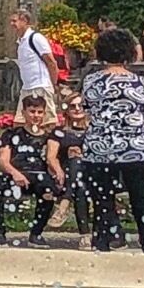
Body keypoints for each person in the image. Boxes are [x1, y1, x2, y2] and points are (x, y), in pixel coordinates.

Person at [79, 27, 144, 253]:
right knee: (143, 205)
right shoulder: (140, 83)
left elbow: (87, 108)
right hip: (136, 148)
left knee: (102, 205)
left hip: (100, 149)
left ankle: (103, 249)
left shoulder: (91, 82)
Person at [0, 92, 62, 246]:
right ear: (24, 113)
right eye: (32, 111)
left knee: (48, 190)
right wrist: (15, 174)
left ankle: (36, 234)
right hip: (16, 175)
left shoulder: (49, 137)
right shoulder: (11, 134)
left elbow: (51, 158)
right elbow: (3, 160)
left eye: (40, 112)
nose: (36, 115)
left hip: (39, 176)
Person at [46, 95, 91, 239]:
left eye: (81, 105)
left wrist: (82, 155)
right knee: (80, 188)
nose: (77, 109)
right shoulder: (59, 132)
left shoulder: (93, 131)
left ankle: (64, 204)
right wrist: (58, 170)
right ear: (67, 110)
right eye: (73, 106)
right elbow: (51, 157)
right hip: (64, 177)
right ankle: (85, 237)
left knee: (77, 161)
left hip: (91, 174)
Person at [9, 6, 58, 105]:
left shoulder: (36, 38)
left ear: (24, 21)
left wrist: (52, 85)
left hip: (41, 87)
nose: (12, 24)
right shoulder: (21, 43)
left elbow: (51, 62)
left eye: (14, 21)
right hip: (26, 89)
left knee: (47, 120)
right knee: (21, 120)